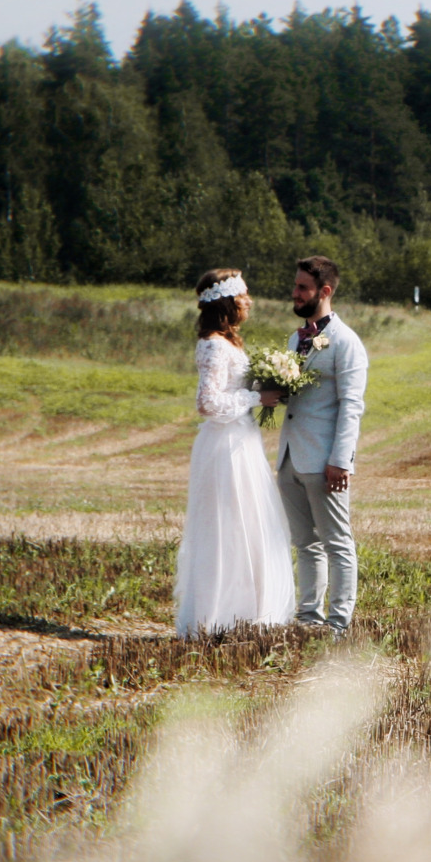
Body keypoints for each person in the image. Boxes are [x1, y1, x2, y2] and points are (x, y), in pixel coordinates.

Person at [175, 268, 296, 637]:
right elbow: (207, 402)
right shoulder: (213, 344)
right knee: (228, 526)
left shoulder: (228, 344)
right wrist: (256, 397)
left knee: (250, 523)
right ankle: (220, 615)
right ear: (228, 303)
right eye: (244, 296)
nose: (250, 301)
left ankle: (248, 611)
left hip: (241, 439)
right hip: (225, 445)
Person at [265, 255, 368, 633]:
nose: (294, 293)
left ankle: (338, 625)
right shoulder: (296, 338)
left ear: (324, 292)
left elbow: (351, 405)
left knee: (337, 543)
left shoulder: (346, 343)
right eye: (295, 286)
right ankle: (309, 618)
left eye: (302, 288)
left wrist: (341, 460)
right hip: (291, 457)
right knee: (305, 544)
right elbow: (298, 397)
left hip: (325, 460)